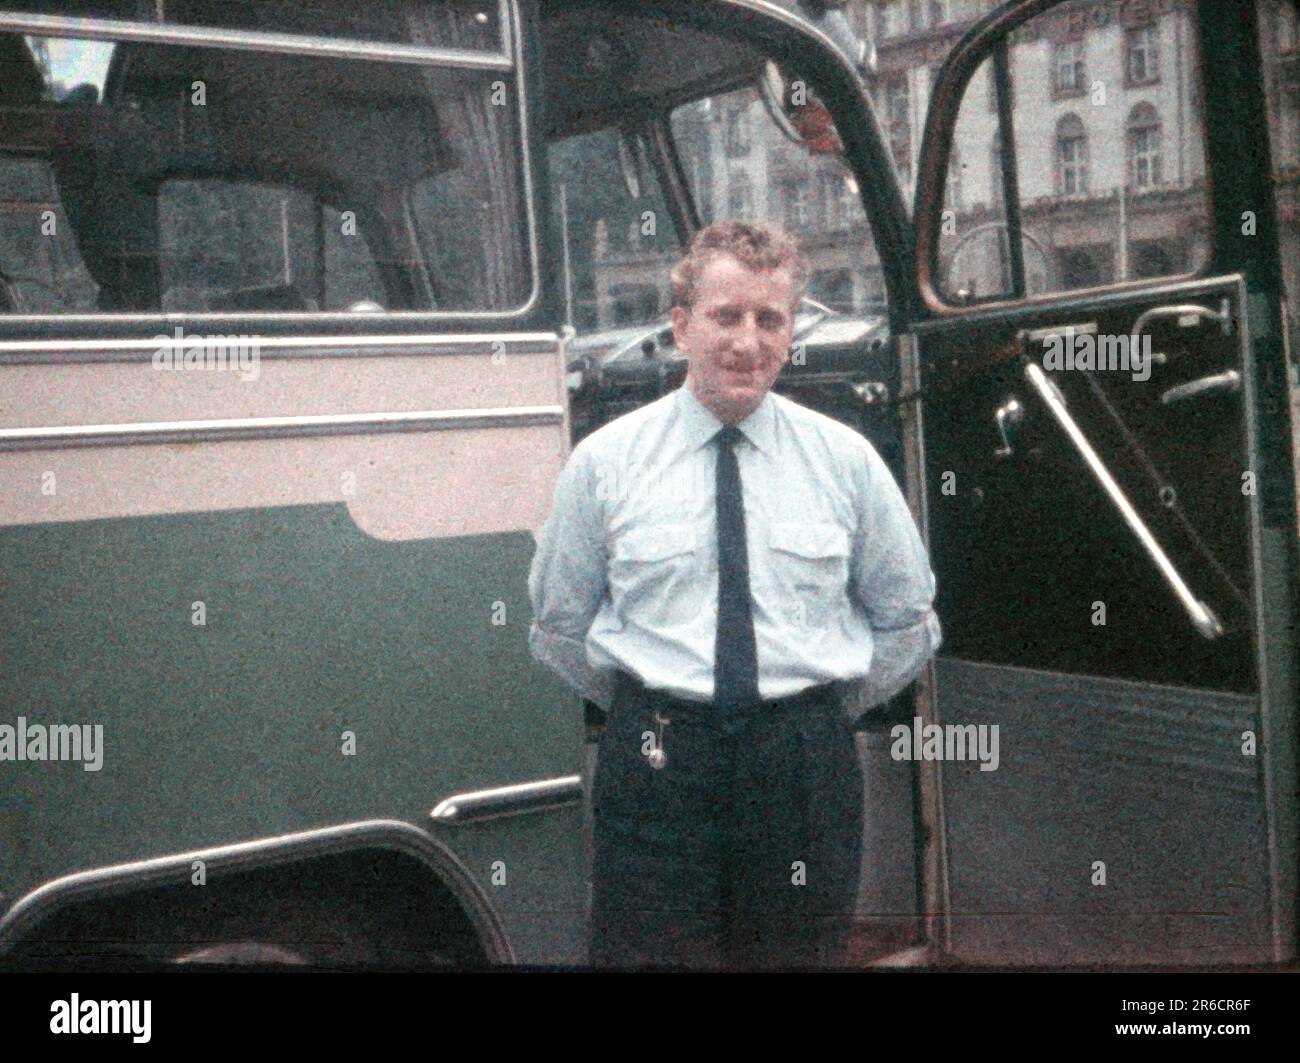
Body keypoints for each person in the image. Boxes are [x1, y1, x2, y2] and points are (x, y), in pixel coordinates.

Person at [528, 220, 940, 969]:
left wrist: (811, 713)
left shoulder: (845, 463)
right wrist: (654, 702)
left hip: (802, 775)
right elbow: (559, 624)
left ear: (789, 333)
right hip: (657, 763)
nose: (747, 341)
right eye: (726, 316)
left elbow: (907, 621)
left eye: (769, 318)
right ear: (681, 327)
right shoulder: (605, 465)